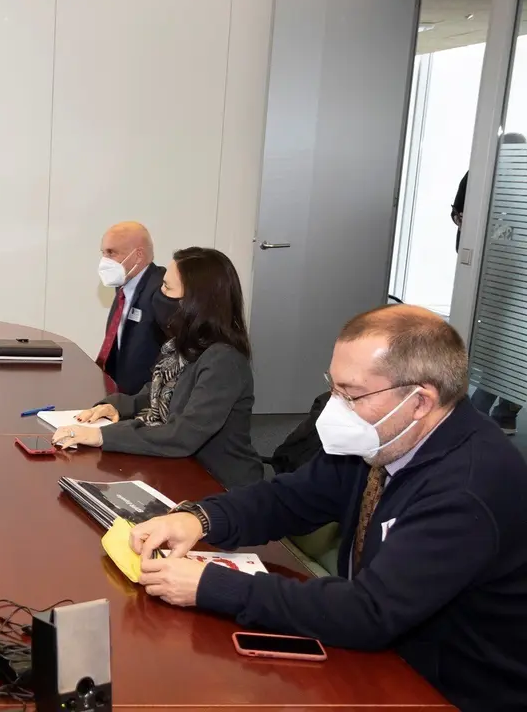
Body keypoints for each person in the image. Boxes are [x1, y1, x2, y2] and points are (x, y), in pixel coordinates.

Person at [130, 305, 527, 709]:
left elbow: (369, 612)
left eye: (351, 394)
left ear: (420, 401)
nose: (335, 407)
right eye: (332, 388)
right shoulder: (383, 437)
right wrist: (200, 518)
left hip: (449, 689)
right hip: (383, 657)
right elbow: (289, 498)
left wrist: (210, 585)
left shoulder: (469, 485)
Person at [55, 247, 263, 489]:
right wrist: (116, 406)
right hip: (183, 470)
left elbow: (183, 435)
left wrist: (101, 436)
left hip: (221, 487)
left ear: (195, 302)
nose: (159, 295)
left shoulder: (224, 361)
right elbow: (157, 393)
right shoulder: (182, 346)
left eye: (167, 288)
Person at [454, 133, 526, 435]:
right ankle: (488, 407)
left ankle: (497, 409)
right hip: (488, 268)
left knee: (507, 338)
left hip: (513, 270)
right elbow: (459, 215)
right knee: (490, 333)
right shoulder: (478, 176)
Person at [94, 221, 165, 395]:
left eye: (111, 253)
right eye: (103, 253)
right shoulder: (123, 286)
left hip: (144, 402)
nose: (104, 261)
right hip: (118, 397)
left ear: (138, 255)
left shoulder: (161, 291)